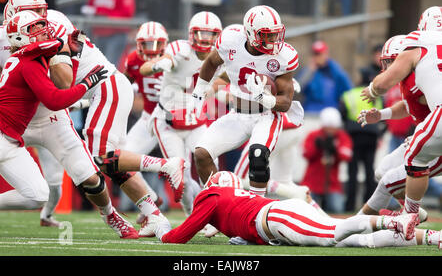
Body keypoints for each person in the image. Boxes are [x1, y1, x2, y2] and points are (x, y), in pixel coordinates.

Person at [2, 0, 184, 231]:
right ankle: (154, 215)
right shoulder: (2, 37)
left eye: (39, 12)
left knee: (101, 157)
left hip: (103, 86)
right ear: (12, 15)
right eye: (30, 14)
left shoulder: (55, 27)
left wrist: (54, 50)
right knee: (110, 162)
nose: (37, 22)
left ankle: (166, 165)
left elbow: (64, 82)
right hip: (87, 95)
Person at [0, 10, 140, 240]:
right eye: (35, 28)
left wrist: (71, 48)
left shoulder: (33, 52)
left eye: (42, 22)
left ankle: (110, 215)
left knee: (40, 194)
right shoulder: (24, 59)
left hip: (20, 132)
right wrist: (88, 83)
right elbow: (54, 98)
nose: (44, 28)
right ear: (19, 35)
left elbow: (61, 53)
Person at [142, 171, 427, 248]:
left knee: (334, 233)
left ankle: (394, 221)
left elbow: (177, 237)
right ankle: (432, 237)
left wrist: (161, 225)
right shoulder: (232, 199)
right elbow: (237, 223)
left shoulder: (211, 195)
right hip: (280, 214)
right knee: (354, 240)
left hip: (277, 218)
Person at [192, 5, 298, 199]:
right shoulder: (231, 40)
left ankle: (255, 210)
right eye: (266, 35)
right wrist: (199, 91)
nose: (273, 40)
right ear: (250, 33)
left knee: (258, 156)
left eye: (275, 34)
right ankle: (216, 205)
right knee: (201, 154)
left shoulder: (283, 56)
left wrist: (264, 98)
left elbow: (285, 102)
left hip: (266, 116)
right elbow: (210, 62)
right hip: (238, 114)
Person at [360, 6, 442, 219]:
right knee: (382, 172)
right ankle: (414, 213)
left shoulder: (417, 58)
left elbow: (383, 85)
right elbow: (409, 106)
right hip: (432, 133)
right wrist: (382, 114)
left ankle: (361, 220)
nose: (389, 66)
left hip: (435, 138)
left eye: (391, 61)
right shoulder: (422, 71)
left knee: (389, 179)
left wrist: (421, 136)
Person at [139, 11, 222, 219]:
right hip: (169, 123)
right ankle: (193, 216)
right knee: (181, 178)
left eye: (210, 34)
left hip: (196, 122)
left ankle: (214, 213)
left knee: (212, 166)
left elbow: (223, 80)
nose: (205, 38)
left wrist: (211, 91)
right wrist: (160, 63)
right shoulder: (177, 49)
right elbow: (145, 69)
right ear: (191, 34)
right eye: (201, 33)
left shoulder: (221, 56)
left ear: (217, 36)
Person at [122, 21, 183, 220]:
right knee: (123, 161)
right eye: (147, 44)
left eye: (157, 44)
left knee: (186, 174)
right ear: (139, 44)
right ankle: (151, 199)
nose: (152, 50)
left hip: (174, 121)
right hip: (148, 119)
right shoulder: (132, 59)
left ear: (165, 44)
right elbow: (124, 86)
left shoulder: (177, 59)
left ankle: (200, 214)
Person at [340, 63, 384, 212]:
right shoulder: (376, 96)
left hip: (353, 136)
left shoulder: (349, 94)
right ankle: (369, 206)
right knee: (369, 171)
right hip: (371, 136)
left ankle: (349, 206)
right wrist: (380, 134)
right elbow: (383, 117)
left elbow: (342, 115)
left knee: (352, 172)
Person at [82, 0, 135, 66]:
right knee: (97, 64)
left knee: (110, 64)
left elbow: (127, 13)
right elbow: (90, 7)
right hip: (100, 33)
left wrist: (105, 16)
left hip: (117, 33)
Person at [300, 107, 352, 214]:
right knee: (304, 209)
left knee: (337, 210)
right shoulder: (314, 135)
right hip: (312, 182)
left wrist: (335, 150)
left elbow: (347, 155)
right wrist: (317, 147)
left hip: (332, 184)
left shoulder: (342, 136)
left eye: (333, 128)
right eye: (328, 128)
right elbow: (305, 154)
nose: (331, 131)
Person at [296, 40, 352, 113]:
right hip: (311, 110)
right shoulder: (308, 71)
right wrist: (309, 71)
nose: (318, 57)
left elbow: (348, 89)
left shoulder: (335, 70)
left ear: (326, 54)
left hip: (331, 110)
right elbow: (297, 88)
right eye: (315, 54)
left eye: (320, 54)